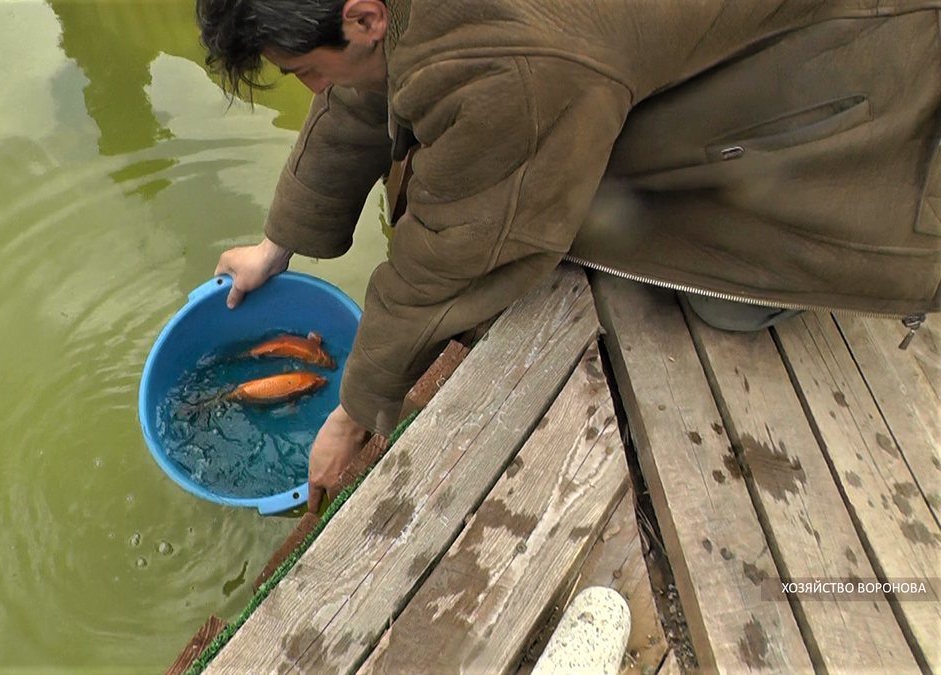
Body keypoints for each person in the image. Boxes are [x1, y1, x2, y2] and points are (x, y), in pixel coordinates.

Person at [196, 0, 941, 513]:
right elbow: (365, 86)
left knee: (729, 299)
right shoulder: (386, 17)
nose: (313, 89)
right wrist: (279, 241)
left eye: (304, 71)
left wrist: (353, 413)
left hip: (852, 62)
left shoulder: (509, 67)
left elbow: (449, 254)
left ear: (363, 16)